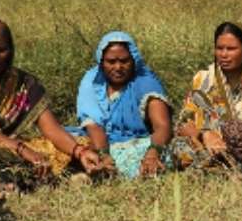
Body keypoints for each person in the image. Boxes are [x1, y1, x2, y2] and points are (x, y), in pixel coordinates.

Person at [0, 20, 105, 184]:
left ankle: (32, 176)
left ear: (12, 50)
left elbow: (51, 128)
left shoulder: (24, 83)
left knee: (80, 142)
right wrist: (23, 150)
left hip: (14, 146)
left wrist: (80, 151)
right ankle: (35, 177)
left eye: (1, 50)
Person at [170, 22, 242, 172]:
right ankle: (216, 167)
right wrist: (205, 134)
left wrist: (233, 139)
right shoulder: (203, 80)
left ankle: (221, 168)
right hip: (206, 146)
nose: (223, 54)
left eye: (231, 49)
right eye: (219, 48)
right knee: (180, 146)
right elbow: (184, 124)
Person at [71, 31, 172, 179]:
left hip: (136, 143)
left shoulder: (145, 81)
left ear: (133, 60)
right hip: (98, 142)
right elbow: (93, 126)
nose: (118, 67)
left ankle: (97, 175)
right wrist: (104, 155)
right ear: (101, 62)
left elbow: (162, 126)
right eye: (111, 62)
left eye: (124, 61)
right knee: (66, 145)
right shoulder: (92, 80)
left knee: (173, 150)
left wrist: (153, 152)